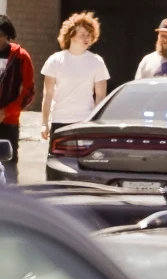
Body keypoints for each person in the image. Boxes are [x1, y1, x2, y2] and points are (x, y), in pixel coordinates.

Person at [40, 12, 110, 140]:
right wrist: (44, 123)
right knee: (58, 159)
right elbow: (47, 94)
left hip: (85, 121)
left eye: (89, 35)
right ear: (71, 35)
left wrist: (95, 123)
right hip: (60, 120)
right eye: (82, 34)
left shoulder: (97, 62)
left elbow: (100, 96)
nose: (86, 38)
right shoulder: (55, 60)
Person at [0, 16, 35, 181]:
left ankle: (11, 204)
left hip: (9, 121)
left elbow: (28, 92)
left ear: (7, 35)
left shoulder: (21, 57)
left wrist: (7, 112)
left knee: (9, 165)